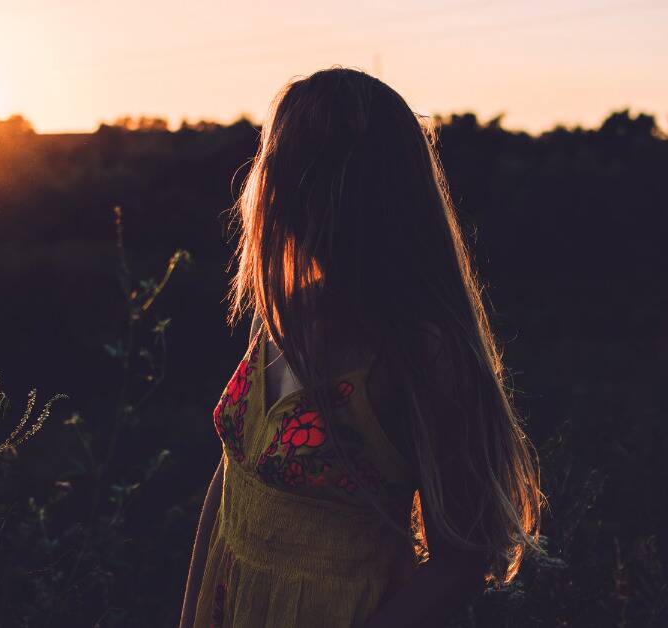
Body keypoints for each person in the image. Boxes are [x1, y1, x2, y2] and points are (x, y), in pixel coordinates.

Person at [179, 67, 543, 628]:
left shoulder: (421, 352)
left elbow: (462, 558)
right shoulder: (287, 313)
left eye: (281, 164)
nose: (265, 184)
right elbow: (232, 484)